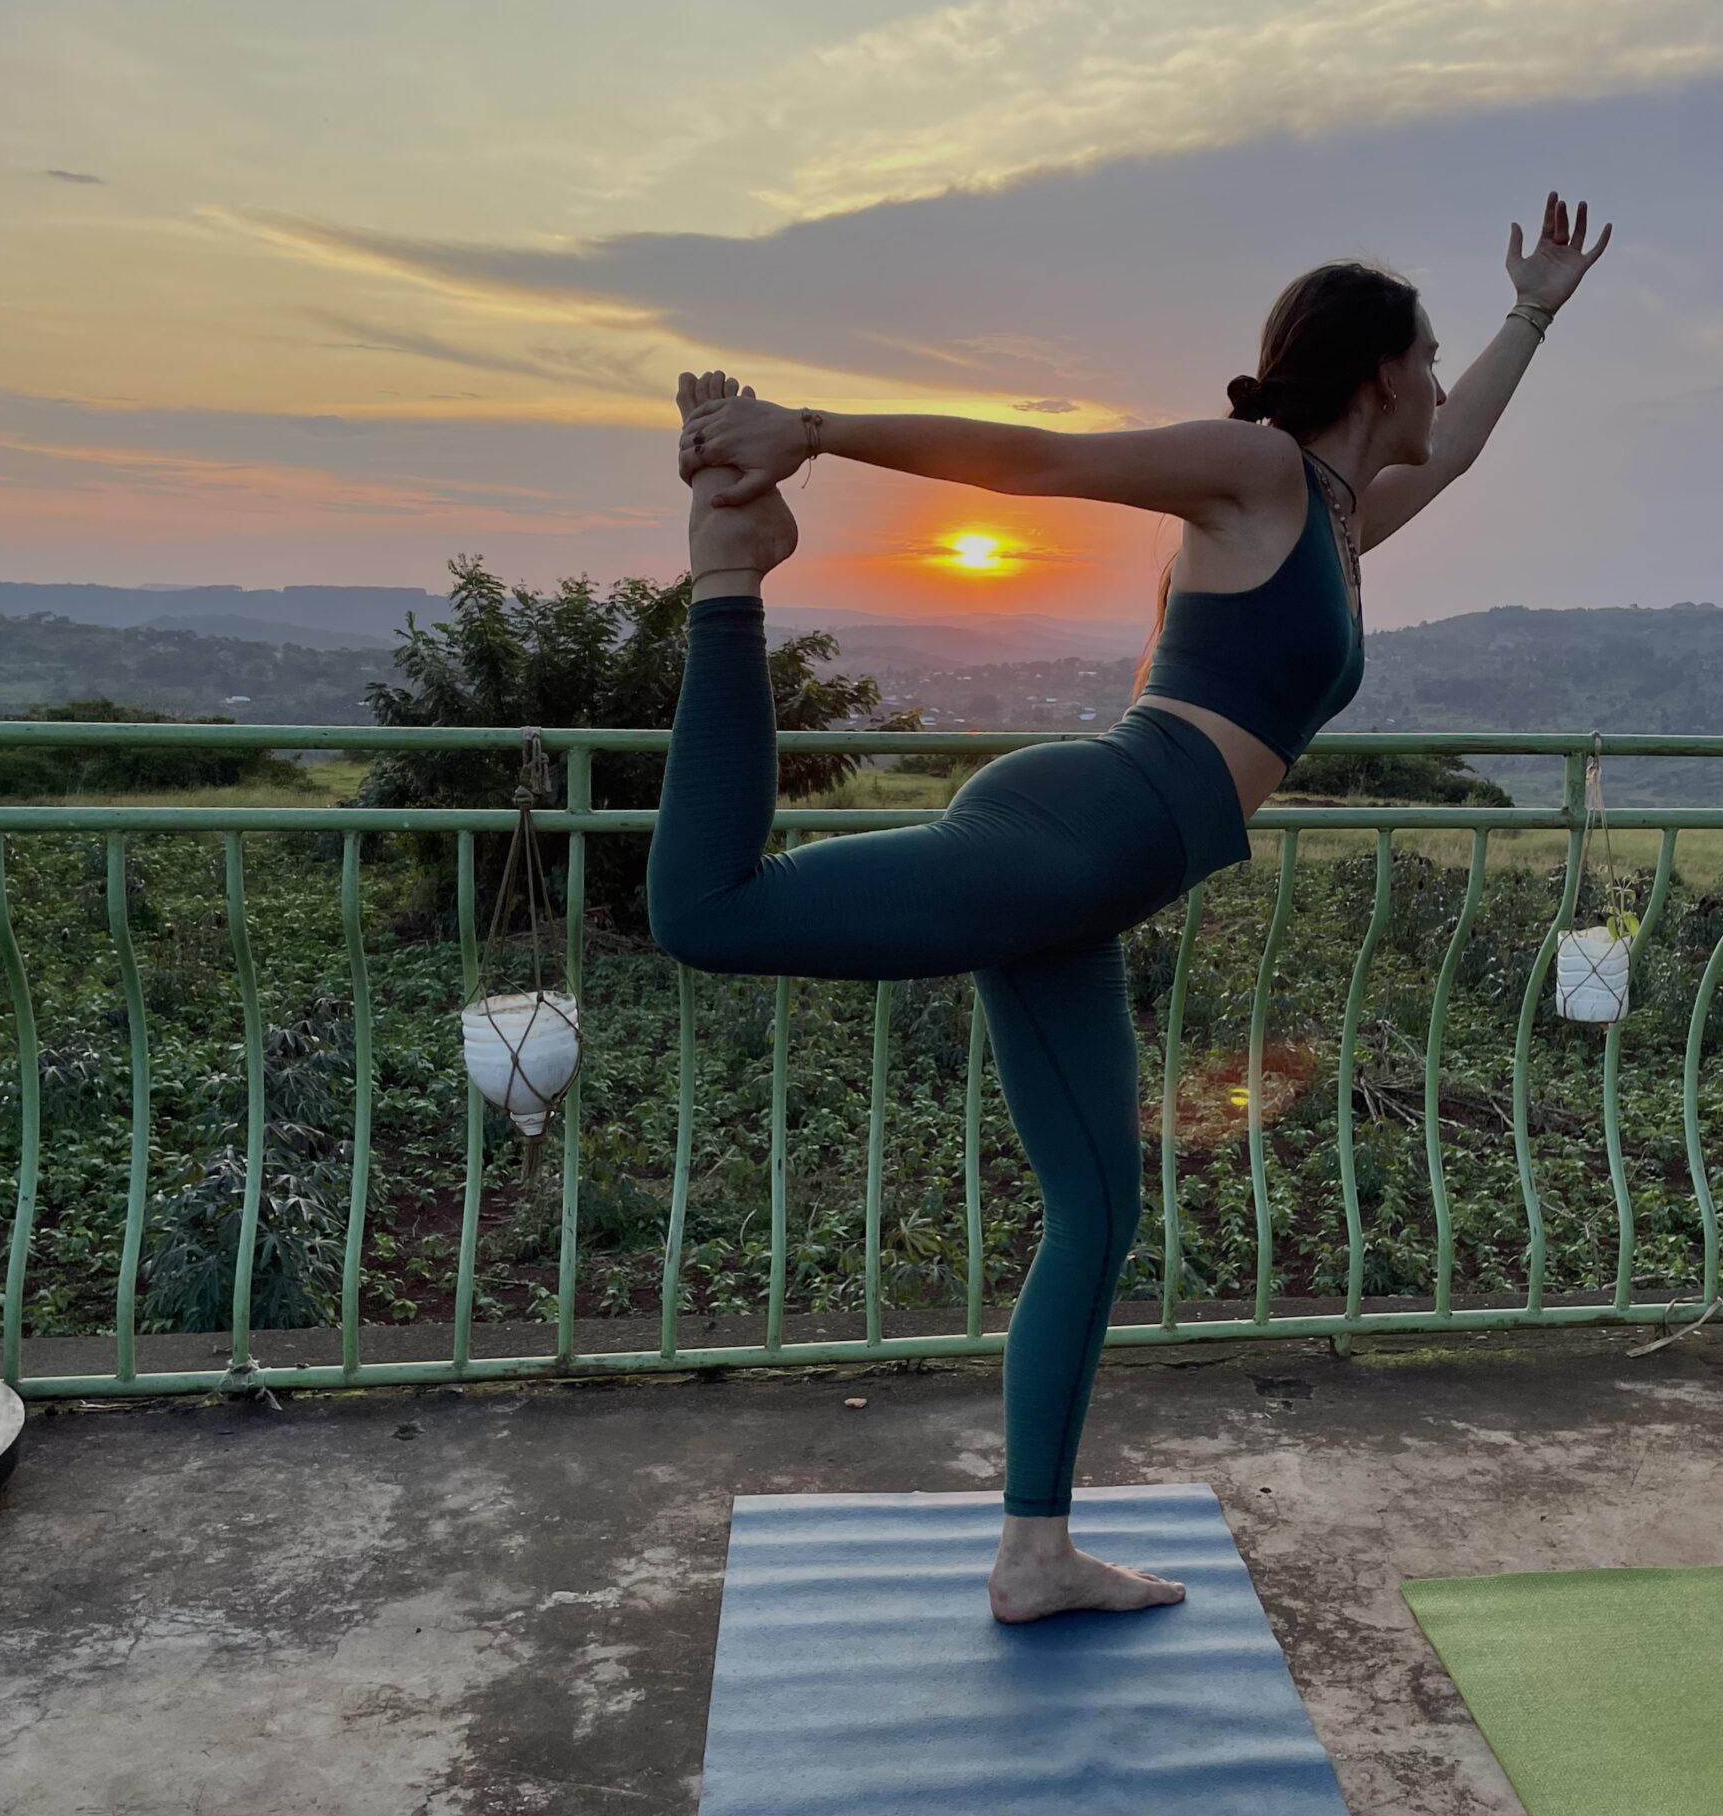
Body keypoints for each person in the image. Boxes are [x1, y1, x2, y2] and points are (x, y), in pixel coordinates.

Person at [660, 193, 1611, 1623]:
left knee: (1097, 1212)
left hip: (1090, 874)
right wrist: (815, 429)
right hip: (1075, 833)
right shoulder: (1257, 472)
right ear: (1373, 372)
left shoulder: (1343, 516)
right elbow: (1043, 459)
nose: (1433, 384)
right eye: (1424, 356)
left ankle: (1034, 1554)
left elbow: (1458, 448)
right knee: (709, 913)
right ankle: (730, 576)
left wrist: (1530, 314)